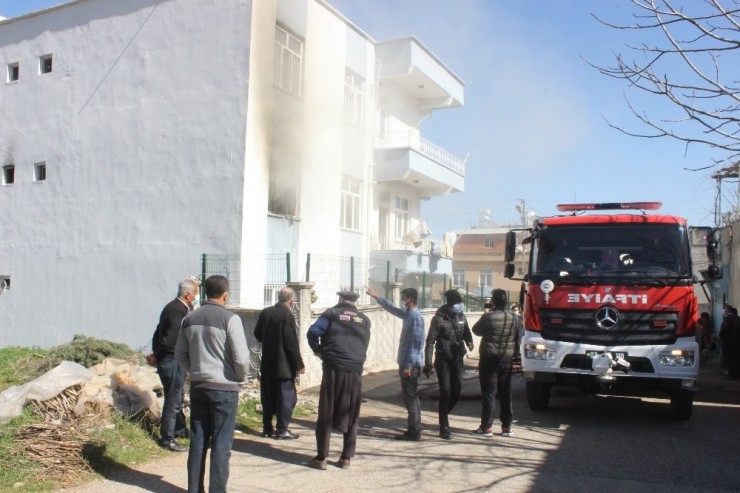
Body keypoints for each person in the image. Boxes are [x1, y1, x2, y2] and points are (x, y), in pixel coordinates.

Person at [175, 275, 250, 493]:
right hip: (225, 388)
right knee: (221, 443)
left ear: (205, 292)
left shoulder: (189, 318)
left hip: (199, 386)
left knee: (198, 441)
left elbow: (179, 354)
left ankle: (194, 489)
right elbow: (242, 359)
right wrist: (238, 376)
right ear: (225, 294)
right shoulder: (230, 318)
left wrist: (195, 370)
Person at [306, 290, 371, 470]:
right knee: (351, 412)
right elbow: (365, 341)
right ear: (354, 303)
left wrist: (318, 350)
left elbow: (312, 332)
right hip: (355, 370)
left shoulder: (331, 314)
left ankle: (321, 458)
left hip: (334, 368)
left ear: (341, 299)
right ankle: (345, 458)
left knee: (327, 410)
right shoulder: (364, 319)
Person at [366, 286, 425, 441]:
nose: (402, 300)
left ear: (411, 299)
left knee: (410, 398)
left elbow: (416, 343)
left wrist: (408, 366)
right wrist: (377, 297)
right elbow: (392, 309)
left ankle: (414, 431)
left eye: (404, 297)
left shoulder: (416, 317)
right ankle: (414, 429)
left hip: (410, 365)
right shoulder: (409, 314)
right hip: (406, 363)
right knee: (409, 397)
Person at [151, 277, 200, 452]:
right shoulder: (178, 311)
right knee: (172, 401)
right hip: (172, 361)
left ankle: (179, 430)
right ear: (187, 295)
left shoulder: (172, 308)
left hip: (169, 360)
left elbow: (158, 334)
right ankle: (167, 439)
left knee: (177, 398)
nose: (196, 297)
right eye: (195, 294)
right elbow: (171, 340)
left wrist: (157, 354)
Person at [254, 286, 305, 440]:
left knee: (268, 397)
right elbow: (291, 343)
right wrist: (299, 364)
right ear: (291, 300)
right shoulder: (287, 316)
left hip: (267, 363)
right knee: (286, 399)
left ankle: (267, 428)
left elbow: (257, 334)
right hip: (283, 367)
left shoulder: (266, 312)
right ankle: (282, 430)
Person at [471, 289, 521, 438]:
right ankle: (507, 427)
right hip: (506, 359)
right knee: (505, 393)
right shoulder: (514, 318)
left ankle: (486, 427)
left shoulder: (488, 317)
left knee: (489, 393)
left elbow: (476, 331)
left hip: (489, 359)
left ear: (493, 301)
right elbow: (518, 336)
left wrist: (487, 313)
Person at [423, 289, 473, 440]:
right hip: (443, 359)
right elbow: (430, 341)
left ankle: (443, 414)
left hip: (457, 358)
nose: (460, 306)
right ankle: (443, 426)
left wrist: (469, 342)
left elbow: (467, 332)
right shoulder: (439, 318)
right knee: (446, 391)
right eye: (458, 304)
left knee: (457, 390)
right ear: (451, 305)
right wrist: (428, 362)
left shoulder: (461, 316)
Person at [720, 305, 740, 380]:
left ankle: (731, 375)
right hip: (736, 341)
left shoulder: (727, 318)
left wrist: (721, 336)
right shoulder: (737, 318)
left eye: (724, 309)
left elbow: (724, 329)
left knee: (729, 358)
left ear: (728, 310)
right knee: (736, 358)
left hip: (728, 341)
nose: (723, 311)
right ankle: (737, 374)